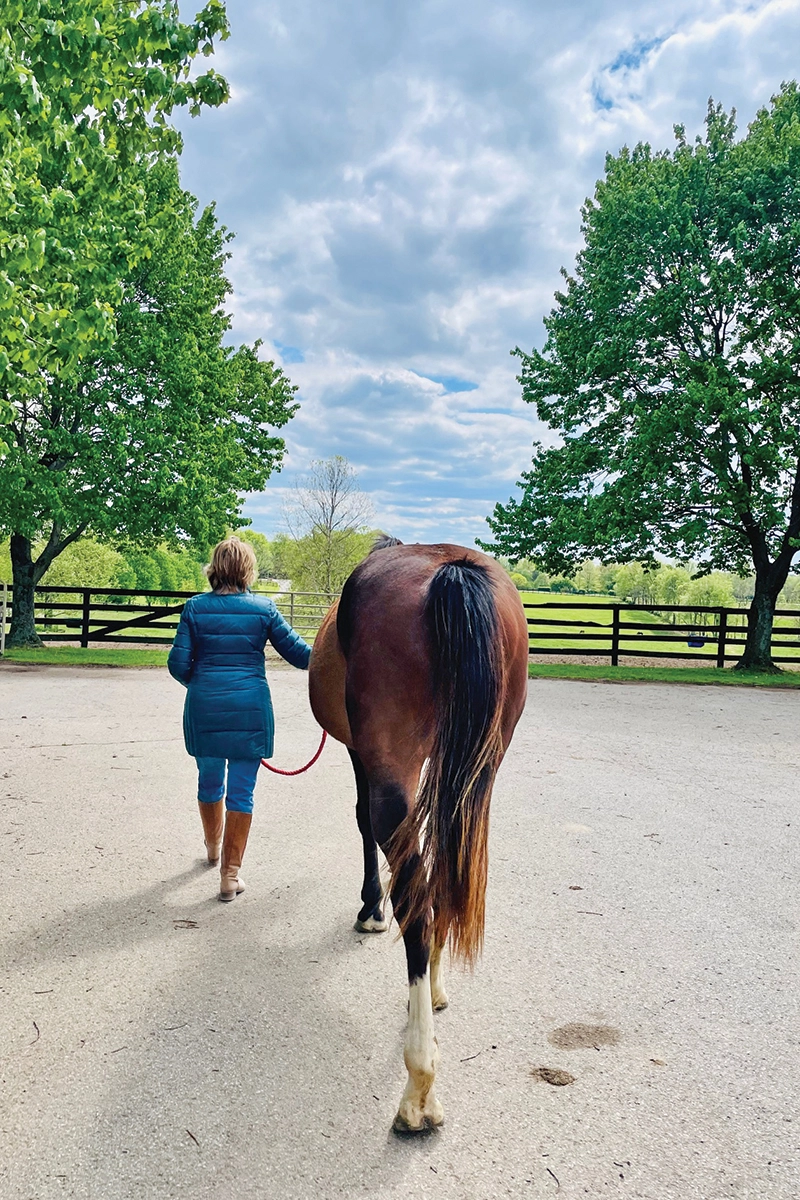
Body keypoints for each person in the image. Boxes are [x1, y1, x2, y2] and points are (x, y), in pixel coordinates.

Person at [167, 536, 312, 901]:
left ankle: (213, 849)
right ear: (248, 570)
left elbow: (177, 664)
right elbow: (301, 655)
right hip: (250, 707)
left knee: (209, 780)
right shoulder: (264, 609)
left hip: (205, 707)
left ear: (214, 568)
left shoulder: (195, 609)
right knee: (242, 792)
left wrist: (201, 684)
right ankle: (230, 878)